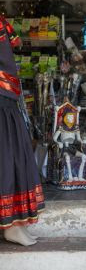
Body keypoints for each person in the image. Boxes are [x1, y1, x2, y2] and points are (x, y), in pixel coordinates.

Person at [0, 17, 44, 245]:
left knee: (15, 158)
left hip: (6, 98)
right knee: (7, 161)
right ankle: (11, 226)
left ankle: (17, 223)